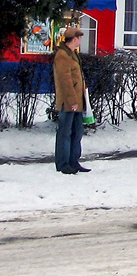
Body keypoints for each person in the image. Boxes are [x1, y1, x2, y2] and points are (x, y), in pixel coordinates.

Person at [53, 26, 90, 174]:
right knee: (65, 132)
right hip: (68, 102)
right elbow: (65, 80)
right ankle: (63, 163)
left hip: (77, 101)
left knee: (77, 131)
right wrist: (72, 100)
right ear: (74, 39)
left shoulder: (72, 54)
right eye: (79, 38)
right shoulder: (62, 55)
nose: (80, 41)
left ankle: (73, 161)